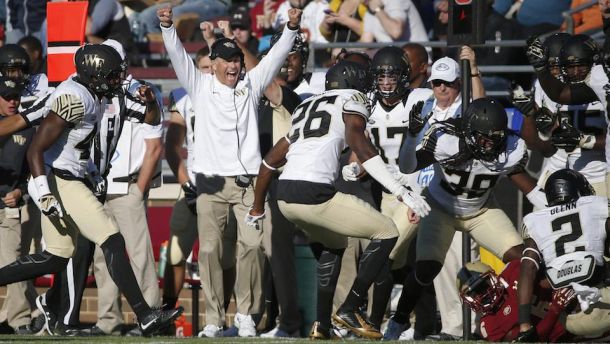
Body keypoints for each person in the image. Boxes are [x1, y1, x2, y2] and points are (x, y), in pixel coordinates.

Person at [0, 43, 182, 337]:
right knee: (111, 237)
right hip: (60, 180)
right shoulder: (74, 98)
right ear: (94, 75)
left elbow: (78, 146)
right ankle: (145, 314)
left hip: (71, 175)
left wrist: (93, 172)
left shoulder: (93, 93)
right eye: (111, 76)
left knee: (57, 257)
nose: (116, 81)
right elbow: (36, 149)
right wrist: (45, 194)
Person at [246, 59, 430, 340]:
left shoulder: (308, 105)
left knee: (334, 244)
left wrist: (258, 206)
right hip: (314, 193)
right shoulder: (352, 98)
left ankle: (321, 324)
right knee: (387, 231)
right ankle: (351, 306)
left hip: (285, 196)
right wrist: (402, 192)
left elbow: (271, 160)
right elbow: (360, 144)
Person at [158, 6, 303, 338]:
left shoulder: (251, 85)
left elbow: (275, 56)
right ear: (215, 64)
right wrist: (167, 27)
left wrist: (292, 29)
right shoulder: (199, 86)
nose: (234, 66)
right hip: (209, 184)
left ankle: (247, 315)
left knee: (251, 247)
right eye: (227, 61)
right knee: (209, 251)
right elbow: (178, 55)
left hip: (249, 185)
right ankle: (213, 318)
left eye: (237, 60)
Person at [389, 98, 542, 338]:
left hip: (481, 211)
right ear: (468, 131)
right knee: (425, 269)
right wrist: (411, 136)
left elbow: (526, 185)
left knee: (525, 259)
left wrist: (553, 208)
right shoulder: (445, 138)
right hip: (441, 208)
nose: (490, 144)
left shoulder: (511, 147)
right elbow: (408, 167)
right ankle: (398, 321)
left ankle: (531, 318)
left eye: (495, 137)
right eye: (483, 138)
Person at [340, 46, 433, 332]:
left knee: (384, 256)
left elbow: (432, 154)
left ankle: (373, 323)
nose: (386, 83)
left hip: (413, 191)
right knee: (389, 262)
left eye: (392, 76)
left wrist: (417, 192)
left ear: (405, 76)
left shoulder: (421, 99)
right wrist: (355, 166)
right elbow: (362, 147)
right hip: (382, 192)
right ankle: (386, 322)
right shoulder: (366, 103)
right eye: (381, 77)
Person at [519, 169, 610, 340]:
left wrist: (524, 324)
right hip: (602, 303)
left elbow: (527, 267)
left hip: (569, 319)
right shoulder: (595, 204)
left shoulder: (534, 220)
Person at [0, 76, 36, 335]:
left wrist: (21, 191)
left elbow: (31, 171)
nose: (13, 102)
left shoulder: (27, 128)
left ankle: (20, 320)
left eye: (16, 97)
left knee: (13, 265)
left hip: (8, 206)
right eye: (7, 97)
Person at [457, 260, 572, 342]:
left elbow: (552, 275)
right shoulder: (488, 325)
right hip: (558, 334)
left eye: (483, 286)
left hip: (573, 308)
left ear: (493, 276)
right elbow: (528, 341)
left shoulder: (513, 271)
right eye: (474, 293)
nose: (482, 294)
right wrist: (555, 309)